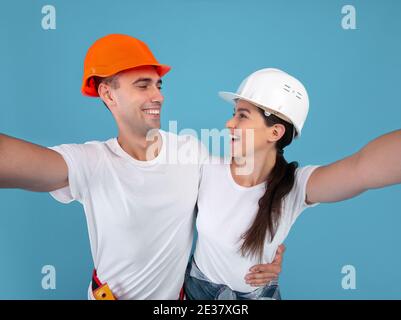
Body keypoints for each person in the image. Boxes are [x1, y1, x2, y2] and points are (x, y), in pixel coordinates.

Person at [0, 34, 283, 300]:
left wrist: (268, 253)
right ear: (108, 95)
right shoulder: (90, 162)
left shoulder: (190, 151)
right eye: (142, 85)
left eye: (158, 85)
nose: (158, 96)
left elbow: (237, 200)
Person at [184, 68, 401, 300]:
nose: (229, 123)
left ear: (275, 132)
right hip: (198, 291)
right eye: (233, 113)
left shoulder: (296, 186)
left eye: (242, 115)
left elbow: (361, 169)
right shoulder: (206, 168)